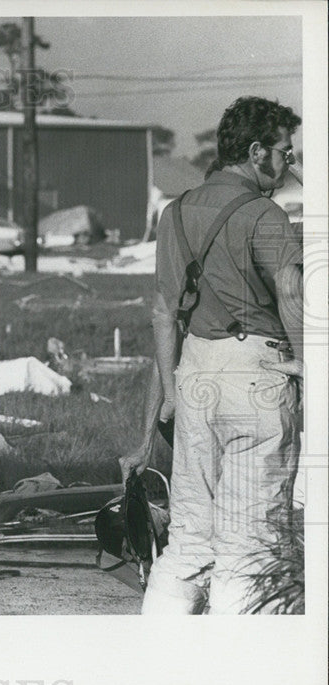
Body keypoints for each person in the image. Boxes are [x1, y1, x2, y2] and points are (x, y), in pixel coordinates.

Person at [121, 96, 303, 614]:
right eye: (284, 153)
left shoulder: (174, 213)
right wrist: (309, 363)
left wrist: (170, 397)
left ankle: (162, 662)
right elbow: (290, 290)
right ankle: (237, 682)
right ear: (254, 152)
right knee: (250, 547)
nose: (288, 163)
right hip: (257, 374)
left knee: (189, 541)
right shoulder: (263, 213)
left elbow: (164, 314)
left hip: (195, 375)